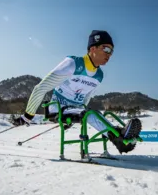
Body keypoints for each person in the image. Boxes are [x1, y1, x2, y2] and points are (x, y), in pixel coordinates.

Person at [13, 30, 142, 154]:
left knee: (92, 113)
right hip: (58, 107)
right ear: (93, 48)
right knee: (91, 113)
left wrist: (78, 114)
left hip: (77, 109)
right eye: (106, 49)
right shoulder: (73, 64)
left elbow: (86, 97)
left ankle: (120, 135)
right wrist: (27, 116)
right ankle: (118, 138)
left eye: (111, 51)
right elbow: (40, 88)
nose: (109, 54)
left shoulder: (99, 75)